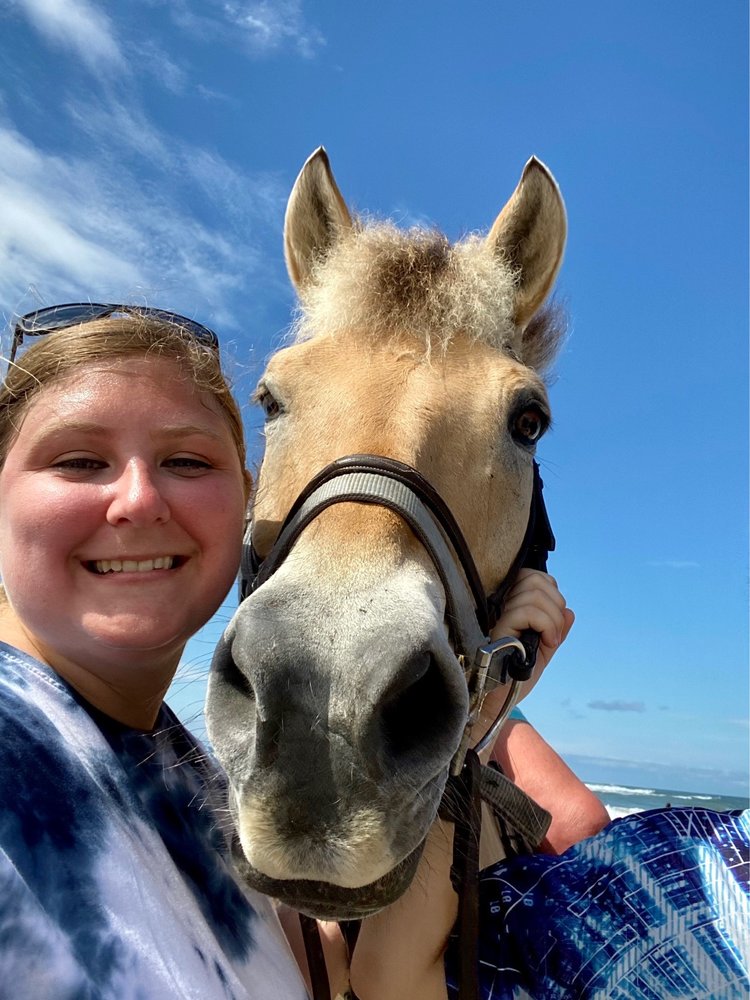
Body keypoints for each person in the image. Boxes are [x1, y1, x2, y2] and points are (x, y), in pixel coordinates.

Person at [0, 302, 608, 999]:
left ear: (250, 500)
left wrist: (471, 721)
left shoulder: (198, 779)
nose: (137, 500)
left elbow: (350, 979)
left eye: (186, 461)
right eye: (78, 461)